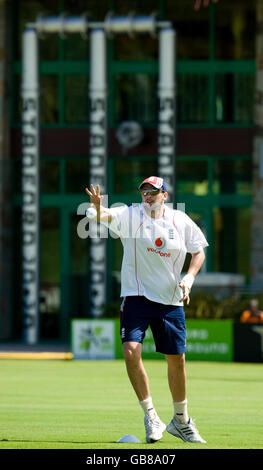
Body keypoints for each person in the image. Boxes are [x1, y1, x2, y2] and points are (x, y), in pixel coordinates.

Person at [85, 176, 208, 444]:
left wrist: (189, 278)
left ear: (165, 195)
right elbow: (103, 215)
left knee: (177, 359)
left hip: (171, 299)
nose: (147, 197)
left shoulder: (180, 220)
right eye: (144, 192)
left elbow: (198, 251)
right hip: (136, 295)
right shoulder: (130, 214)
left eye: (153, 192)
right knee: (131, 351)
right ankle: (151, 415)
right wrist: (96, 207)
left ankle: (181, 420)